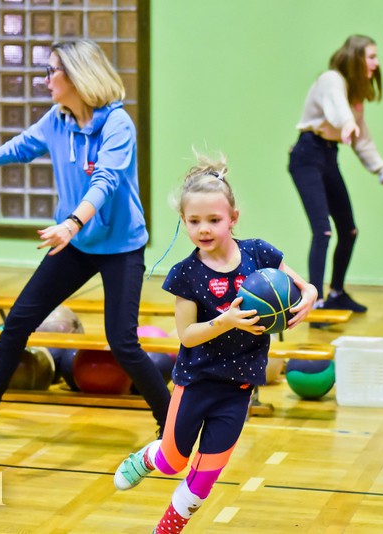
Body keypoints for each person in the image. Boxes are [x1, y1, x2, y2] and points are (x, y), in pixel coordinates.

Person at [0, 39, 171, 438]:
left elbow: (106, 181)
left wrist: (72, 223)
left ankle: (172, 423)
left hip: (120, 247)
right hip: (75, 244)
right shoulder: (58, 119)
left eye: (51, 71)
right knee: (17, 322)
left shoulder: (117, 124)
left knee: (123, 343)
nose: (45, 80)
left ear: (77, 76)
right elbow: (22, 146)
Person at [112, 154, 317, 533]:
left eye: (213, 220)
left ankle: (166, 528)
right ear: (183, 220)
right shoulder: (186, 274)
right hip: (196, 383)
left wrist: (311, 293)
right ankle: (149, 457)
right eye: (194, 221)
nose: (203, 229)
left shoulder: (259, 254)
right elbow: (187, 334)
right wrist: (225, 321)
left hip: (238, 389)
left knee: (203, 480)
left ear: (233, 218)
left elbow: (301, 285)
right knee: (173, 462)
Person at [288, 34, 383, 316]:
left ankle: (337, 293)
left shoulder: (354, 94)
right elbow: (336, 109)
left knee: (349, 231)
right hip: (307, 156)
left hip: (329, 155)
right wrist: (348, 122)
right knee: (323, 230)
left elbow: (363, 141)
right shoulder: (331, 79)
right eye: (371, 56)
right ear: (356, 58)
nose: (376, 63)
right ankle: (314, 302)